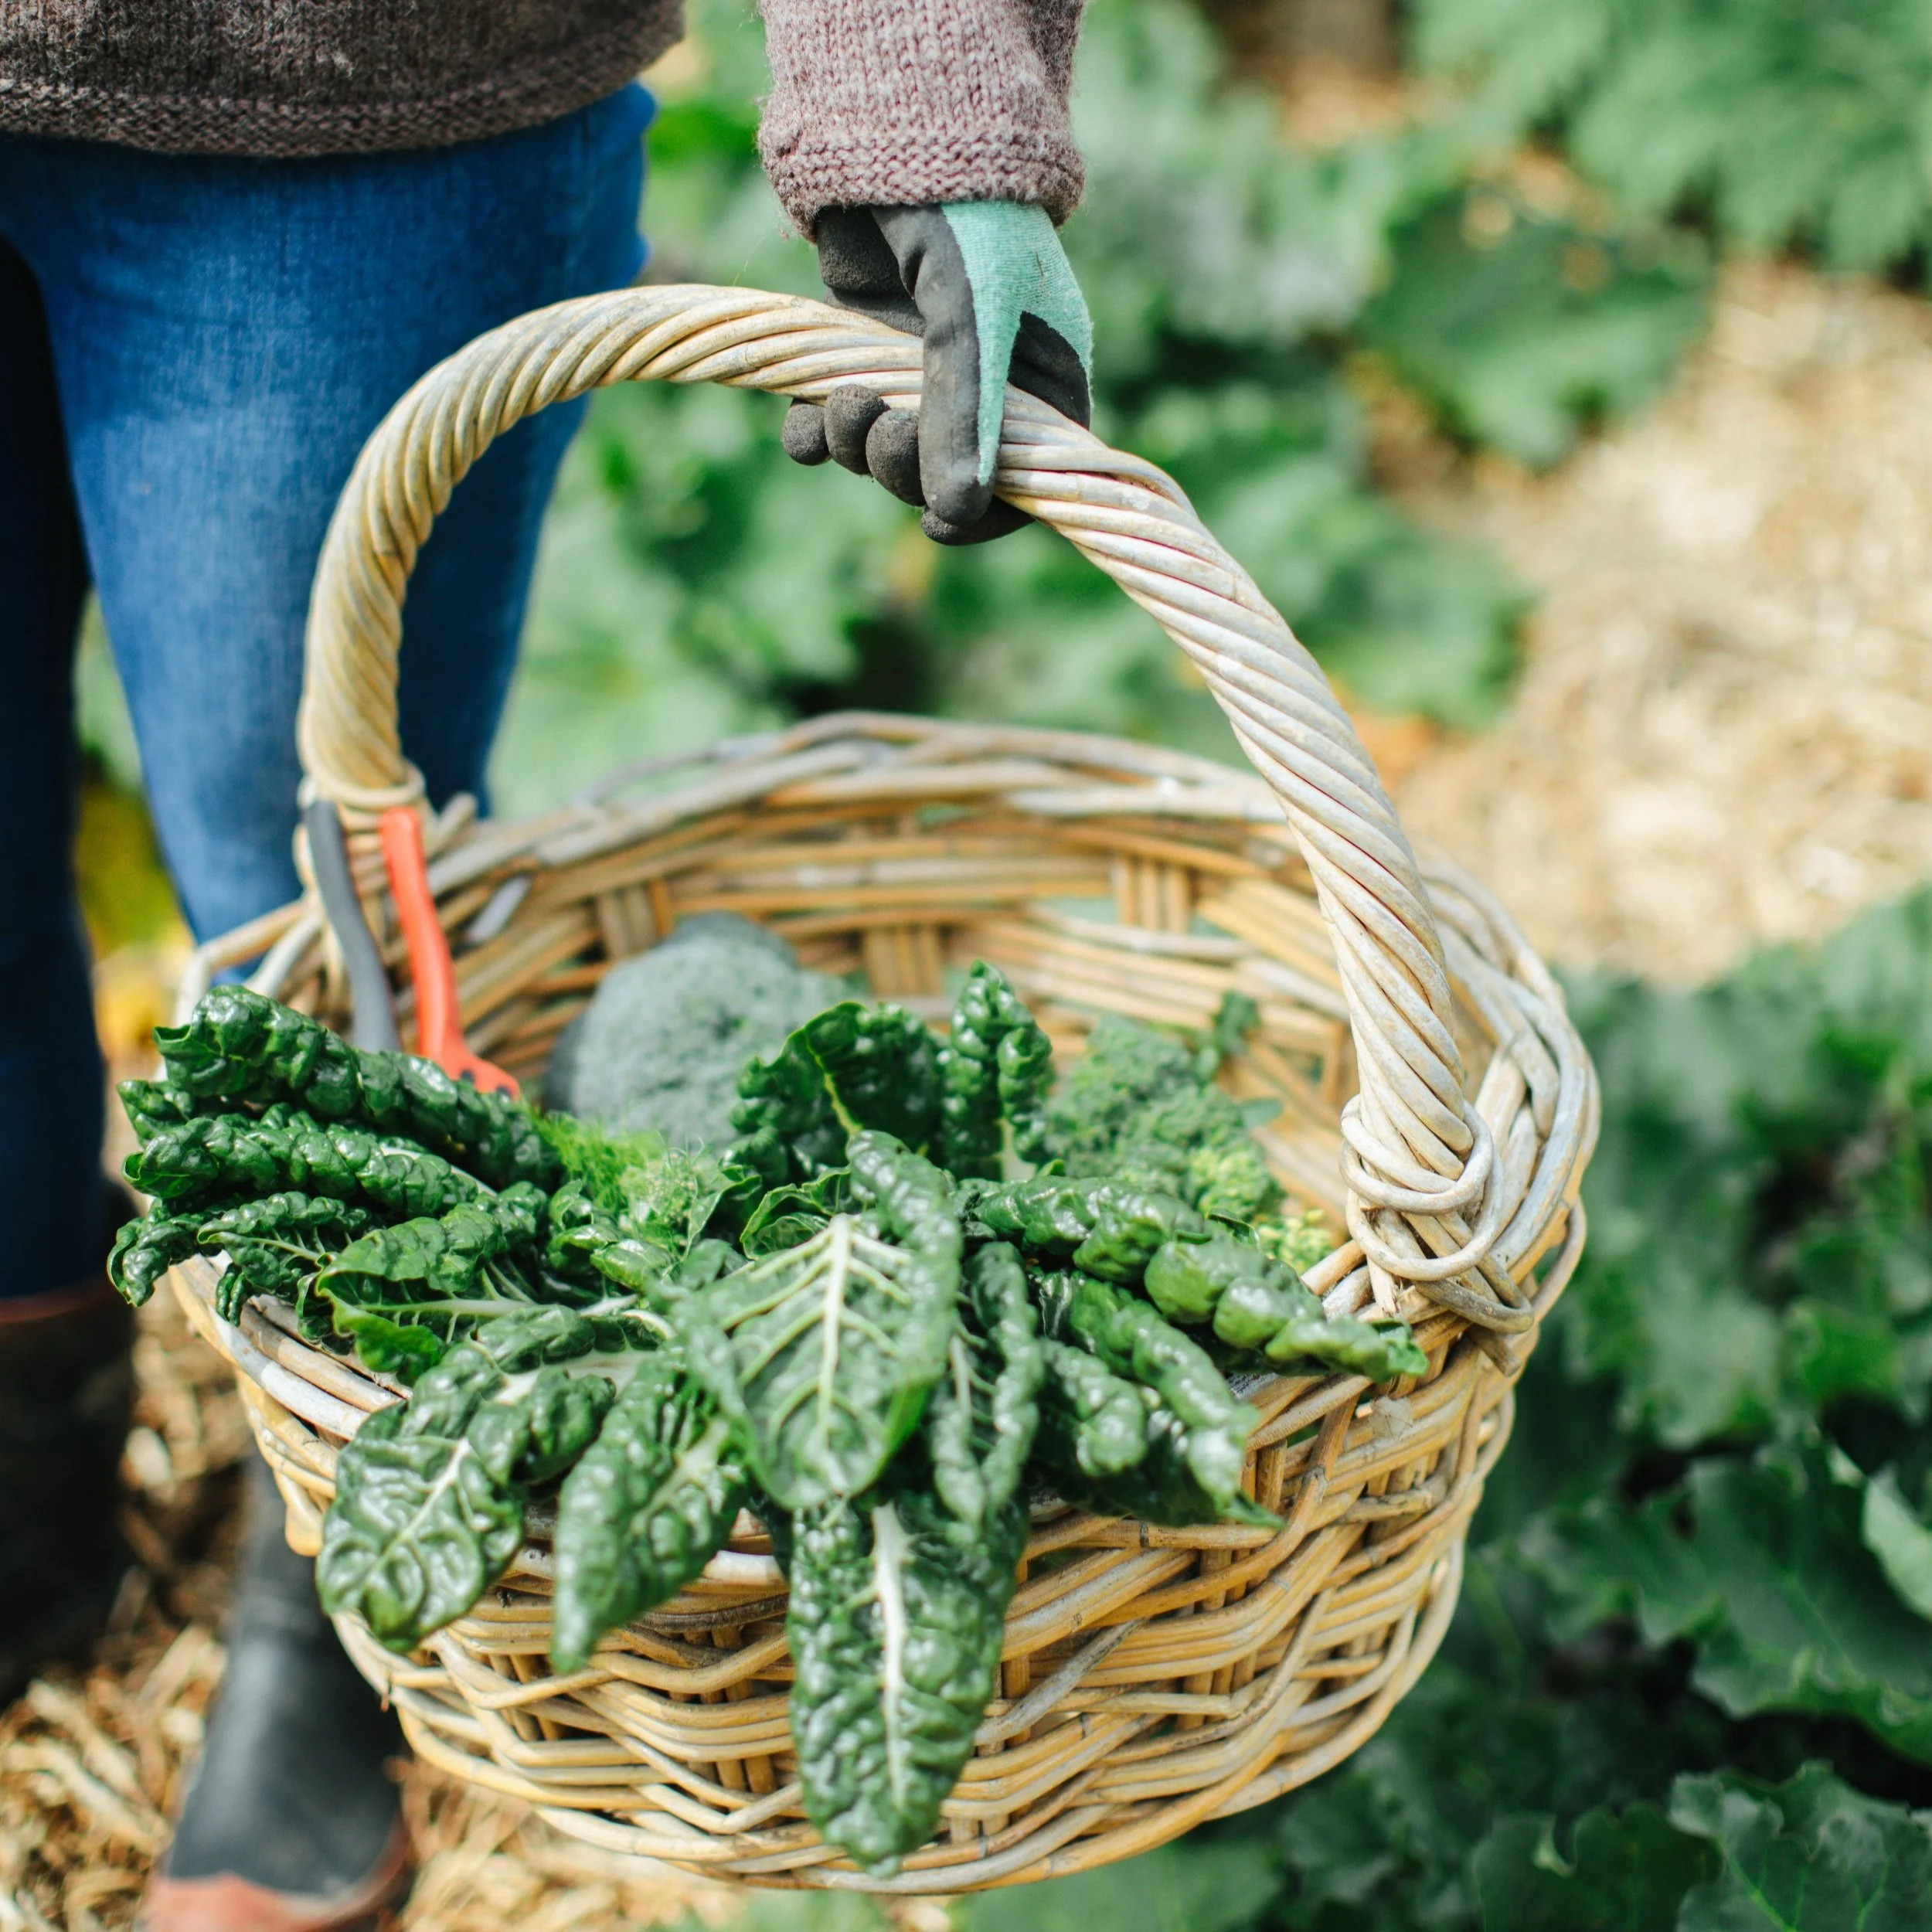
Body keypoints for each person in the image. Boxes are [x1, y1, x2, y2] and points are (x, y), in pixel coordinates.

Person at [0, 2, 1096, 1924]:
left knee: (316, 909)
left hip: (335, 88)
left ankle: (335, 1577)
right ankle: (24, 1440)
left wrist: (925, 79)